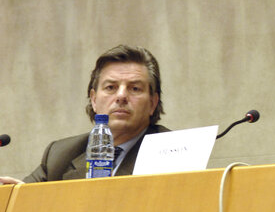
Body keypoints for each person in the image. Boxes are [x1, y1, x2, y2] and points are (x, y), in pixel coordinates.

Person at [0, 45, 170, 184]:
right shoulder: (61, 154)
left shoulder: (174, 153)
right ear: (94, 100)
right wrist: (20, 198)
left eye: (135, 88)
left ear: (153, 103)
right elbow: (28, 201)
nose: (121, 96)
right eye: (111, 87)